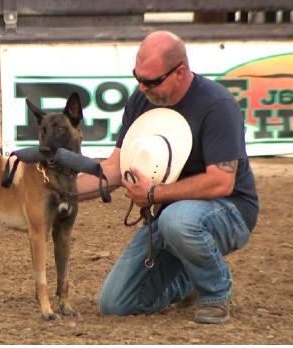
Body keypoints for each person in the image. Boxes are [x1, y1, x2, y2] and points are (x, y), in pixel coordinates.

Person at [77, 30, 259, 324]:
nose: (142, 87)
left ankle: (214, 293)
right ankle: (188, 279)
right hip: (171, 215)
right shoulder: (141, 100)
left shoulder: (217, 105)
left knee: (178, 220)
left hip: (230, 210)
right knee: (116, 304)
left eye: (151, 81)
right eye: (137, 77)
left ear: (180, 72)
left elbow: (221, 181)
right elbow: (114, 168)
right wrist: (54, 189)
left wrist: (152, 195)